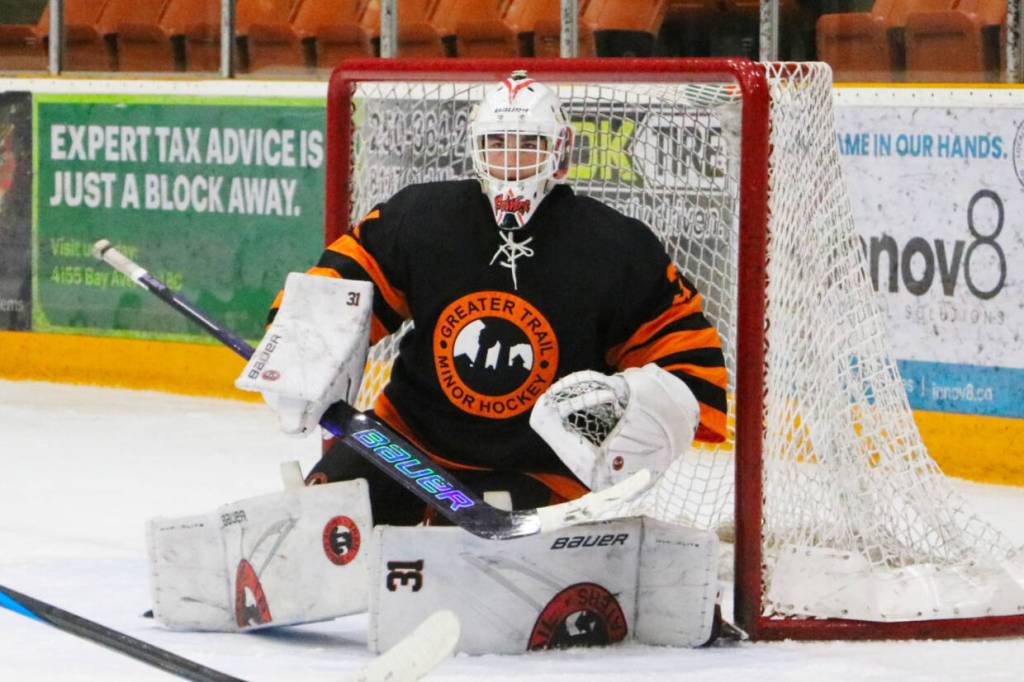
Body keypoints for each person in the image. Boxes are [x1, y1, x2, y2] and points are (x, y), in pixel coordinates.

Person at [262, 70, 728, 526]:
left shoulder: (614, 245)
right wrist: (300, 342)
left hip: (538, 467)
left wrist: (632, 408)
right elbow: (342, 279)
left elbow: (687, 363)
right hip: (405, 442)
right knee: (312, 540)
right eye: (498, 143)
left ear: (559, 153)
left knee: (458, 577)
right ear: (476, 148)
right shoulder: (422, 218)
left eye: (529, 144)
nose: (511, 159)